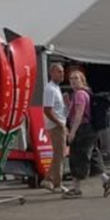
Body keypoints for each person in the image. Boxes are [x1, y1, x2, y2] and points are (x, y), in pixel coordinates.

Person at [65, 70, 110, 198]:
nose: (73, 81)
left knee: (77, 156)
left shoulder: (80, 94)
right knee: (91, 156)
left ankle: (76, 189)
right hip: (90, 129)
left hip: (83, 129)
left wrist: (72, 132)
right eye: (71, 78)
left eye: (76, 78)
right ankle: (106, 180)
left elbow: (79, 114)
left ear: (82, 80)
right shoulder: (85, 93)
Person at [42, 63, 68, 193]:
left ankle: (49, 179)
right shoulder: (50, 89)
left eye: (62, 72)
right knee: (59, 155)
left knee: (60, 154)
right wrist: (59, 123)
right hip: (56, 126)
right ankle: (57, 183)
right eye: (59, 72)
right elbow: (47, 109)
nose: (62, 74)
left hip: (59, 124)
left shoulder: (56, 88)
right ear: (51, 73)